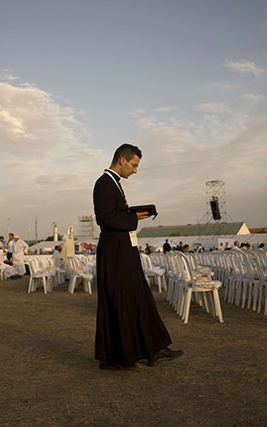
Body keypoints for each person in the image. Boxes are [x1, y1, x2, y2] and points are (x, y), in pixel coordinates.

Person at [93, 143, 181, 370]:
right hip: (114, 252)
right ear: (122, 160)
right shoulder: (104, 183)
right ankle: (117, 356)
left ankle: (154, 347)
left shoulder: (113, 184)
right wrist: (135, 219)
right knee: (120, 301)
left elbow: (114, 215)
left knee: (139, 297)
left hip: (123, 250)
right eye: (133, 165)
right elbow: (105, 218)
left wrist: (131, 214)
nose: (135, 170)